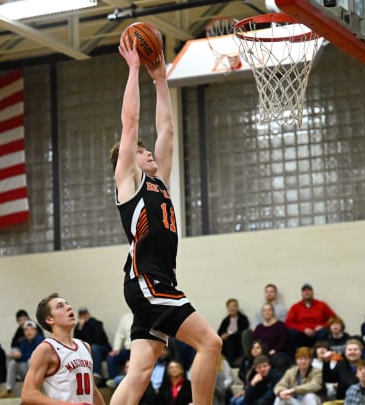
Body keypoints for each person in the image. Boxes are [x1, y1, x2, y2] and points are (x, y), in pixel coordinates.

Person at [109, 35, 222, 405]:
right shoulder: (127, 184)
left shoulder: (159, 184)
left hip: (156, 281)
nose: (148, 153)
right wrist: (133, 70)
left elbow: (167, 131)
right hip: (147, 283)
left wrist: (161, 80)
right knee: (211, 343)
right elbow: (130, 124)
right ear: (127, 161)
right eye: (141, 152)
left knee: (141, 368)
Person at [20, 292, 105, 404]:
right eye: (60, 306)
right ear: (50, 319)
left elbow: (92, 390)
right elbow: (28, 394)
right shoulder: (46, 349)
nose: (69, 307)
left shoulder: (85, 346)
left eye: (67, 304)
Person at [0, 320, 44, 398]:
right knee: (13, 363)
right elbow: (22, 358)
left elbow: (36, 356)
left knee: (31, 361)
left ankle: (36, 389)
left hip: (41, 373)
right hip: (28, 371)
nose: (29, 332)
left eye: (31, 329)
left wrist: (21, 356)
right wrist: (16, 356)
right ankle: (8, 390)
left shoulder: (40, 340)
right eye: (26, 330)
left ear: (36, 331)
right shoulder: (24, 342)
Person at [285, 284, 336, 350]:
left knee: (324, 331)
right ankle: (298, 355)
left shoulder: (322, 305)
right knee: (290, 332)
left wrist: (323, 326)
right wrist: (303, 329)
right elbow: (289, 323)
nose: (306, 292)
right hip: (302, 334)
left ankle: (317, 353)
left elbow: (333, 319)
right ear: (301, 293)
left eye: (309, 290)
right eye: (304, 290)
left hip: (318, 333)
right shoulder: (295, 307)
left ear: (313, 293)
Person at [74, 307, 111, 380]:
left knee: (94, 347)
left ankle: (97, 374)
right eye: (81, 315)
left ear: (88, 314)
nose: (83, 316)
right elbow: (76, 341)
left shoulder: (96, 323)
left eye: (85, 314)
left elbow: (98, 339)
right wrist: (80, 327)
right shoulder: (78, 327)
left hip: (102, 348)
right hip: (87, 349)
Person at [218, 298, 251, 367]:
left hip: (238, 341)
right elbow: (220, 332)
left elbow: (244, 331)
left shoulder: (243, 318)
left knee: (230, 340)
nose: (232, 308)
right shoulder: (225, 320)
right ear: (227, 308)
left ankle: (231, 363)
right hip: (226, 343)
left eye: (234, 306)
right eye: (230, 306)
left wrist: (230, 334)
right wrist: (222, 336)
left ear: (237, 307)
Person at [106, 312, 132, 384]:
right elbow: (119, 334)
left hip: (142, 350)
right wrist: (116, 349)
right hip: (128, 349)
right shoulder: (125, 318)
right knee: (111, 357)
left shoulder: (146, 315)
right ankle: (113, 381)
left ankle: (119, 380)